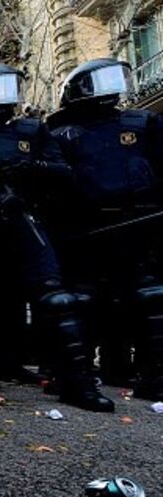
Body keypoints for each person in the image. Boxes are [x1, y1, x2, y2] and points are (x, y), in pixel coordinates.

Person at [0, 63, 114, 411]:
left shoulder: (33, 131)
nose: (3, 97)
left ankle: (76, 382)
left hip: (27, 225)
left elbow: (64, 173)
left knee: (58, 301)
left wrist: (31, 170)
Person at [48, 58, 163, 401]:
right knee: (86, 302)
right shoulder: (61, 134)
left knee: (148, 297)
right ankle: (79, 374)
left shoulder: (143, 123)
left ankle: (153, 372)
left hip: (141, 225)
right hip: (86, 232)